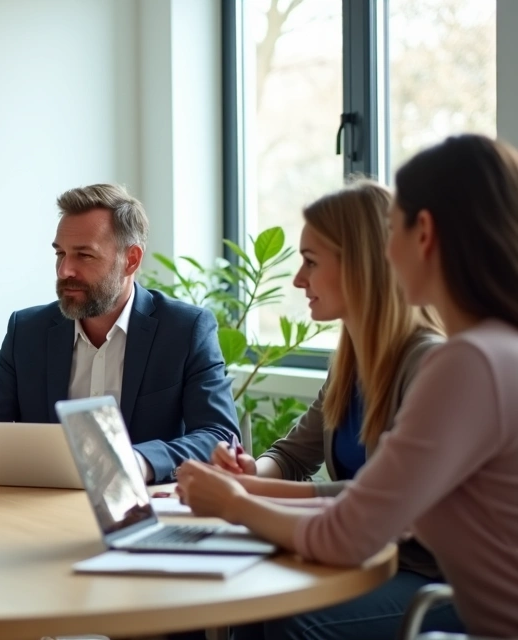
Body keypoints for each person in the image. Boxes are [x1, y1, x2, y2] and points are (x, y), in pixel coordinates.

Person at [177, 134, 518, 638]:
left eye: (392, 228)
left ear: (422, 233)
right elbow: (357, 504)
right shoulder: (493, 350)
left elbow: (348, 532)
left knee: (270, 617)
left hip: (444, 600)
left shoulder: (464, 363)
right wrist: (246, 489)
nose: (386, 249)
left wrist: (234, 500)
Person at [208, 181, 458, 638]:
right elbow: (292, 455)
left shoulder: (429, 362)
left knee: (293, 617)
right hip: (363, 556)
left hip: (433, 578)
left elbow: (377, 496)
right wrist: (250, 472)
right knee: (246, 601)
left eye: (310, 262)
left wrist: (241, 498)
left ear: (361, 265)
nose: (298, 280)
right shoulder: (349, 359)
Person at [0, 184, 239, 483]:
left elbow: (219, 437)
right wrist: (0, 462)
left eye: (84, 255)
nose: (65, 271)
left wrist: (135, 463)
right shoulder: (28, 332)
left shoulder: (185, 330)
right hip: (39, 510)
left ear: (132, 260)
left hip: (143, 511)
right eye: (60, 254)